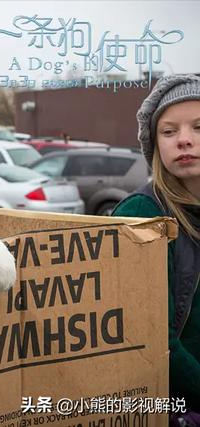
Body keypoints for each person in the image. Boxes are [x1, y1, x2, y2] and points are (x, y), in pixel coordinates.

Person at [112, 74, 200, 425]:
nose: (184, 140)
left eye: (198, 126)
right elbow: (147, 336)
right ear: (154, 144)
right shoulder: (142, 214)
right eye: (169, 131)